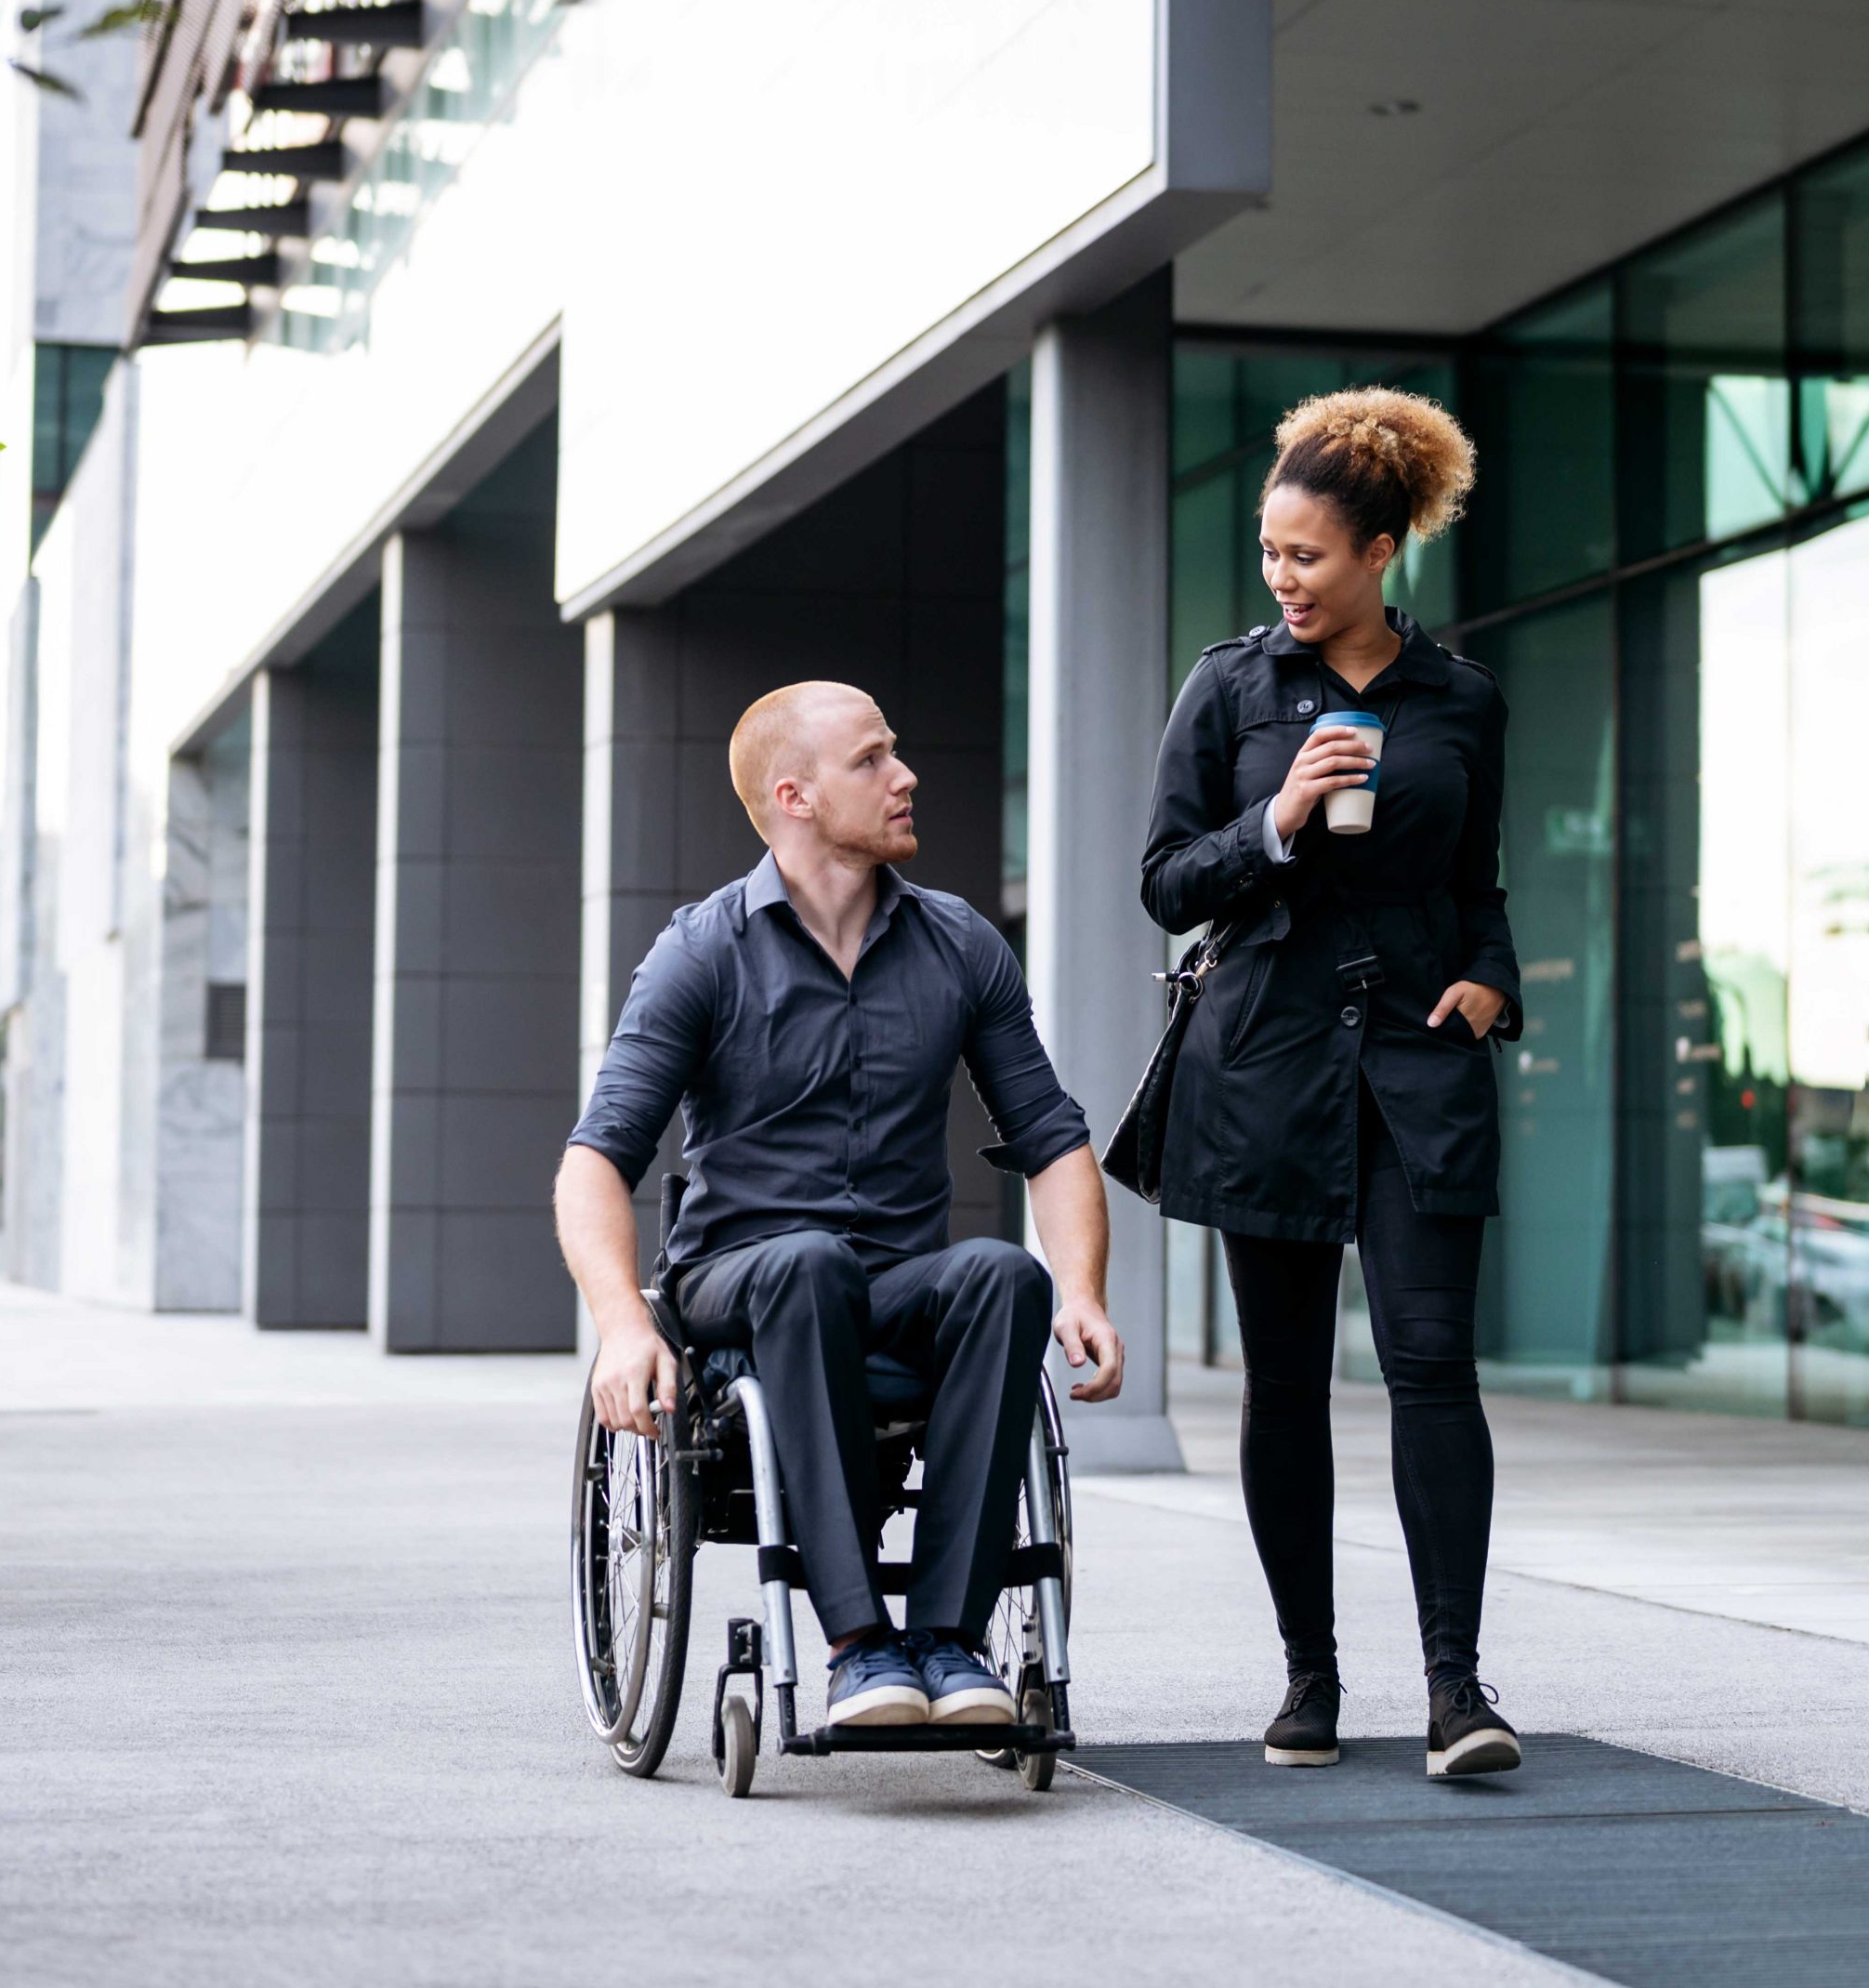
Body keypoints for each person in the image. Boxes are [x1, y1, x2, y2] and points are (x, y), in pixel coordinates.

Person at [555, 680, 1124, 1734]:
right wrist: (621, 1327)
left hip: (895, 1279)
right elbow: (595, 1160)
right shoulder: (703, 951)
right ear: (796, 796)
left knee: (1004, 1273)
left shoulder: (959, 946)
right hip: (739, 1280)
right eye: (871, 759)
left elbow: (1051, 1136)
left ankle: (948, 1645)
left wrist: (1080, 1288)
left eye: (894, 752)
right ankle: (859, 1647)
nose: (905, 776)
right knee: (806, 1262)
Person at [1139, 389, 1522, 1778]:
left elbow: (1477, 883)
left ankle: (1457, 1691)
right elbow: (1166, 881)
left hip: (1422, 1066)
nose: (1282, 579)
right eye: (1268, 553)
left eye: (1306, 555)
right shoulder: (1232, 688)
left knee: (1434, 1368)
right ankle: (1309, 1681)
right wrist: (1278, 817)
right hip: (1268, 1072)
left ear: (1378, 551)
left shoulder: (1462, 700)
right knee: (1284, 1383)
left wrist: (1494, 977)